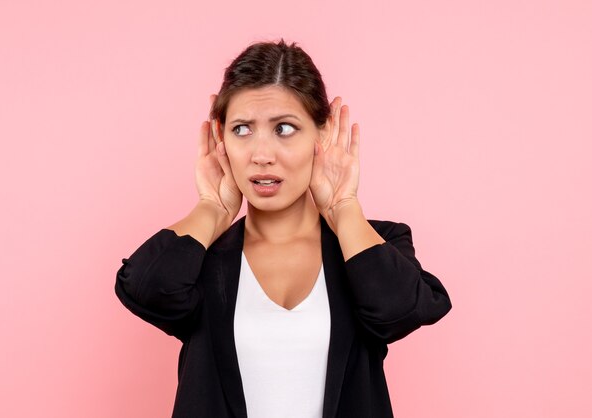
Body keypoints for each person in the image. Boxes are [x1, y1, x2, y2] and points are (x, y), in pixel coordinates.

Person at [115, 39, 452, 418]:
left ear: (321, 135)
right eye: (242, 130)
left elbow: (401, 310)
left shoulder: (370, 244)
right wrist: (211, 208)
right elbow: (143, 287)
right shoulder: (203, 259)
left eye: (285, 129)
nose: (261, 155)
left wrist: (343, 209)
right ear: (221, 139)